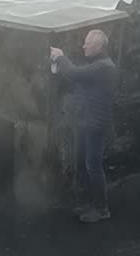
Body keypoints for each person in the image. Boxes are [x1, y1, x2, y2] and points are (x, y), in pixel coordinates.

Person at [50, 29, 118, 223]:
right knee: (81, 164)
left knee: (93, 166)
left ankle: (101, 208)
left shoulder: (104, 67)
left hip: (96, 124)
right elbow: (76, 77)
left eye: (87, 43)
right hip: (84, 122)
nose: (83, 46)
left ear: (97, 47)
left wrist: (61, 57)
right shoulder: (96, 65)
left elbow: (75, 73)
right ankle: (89, 202)